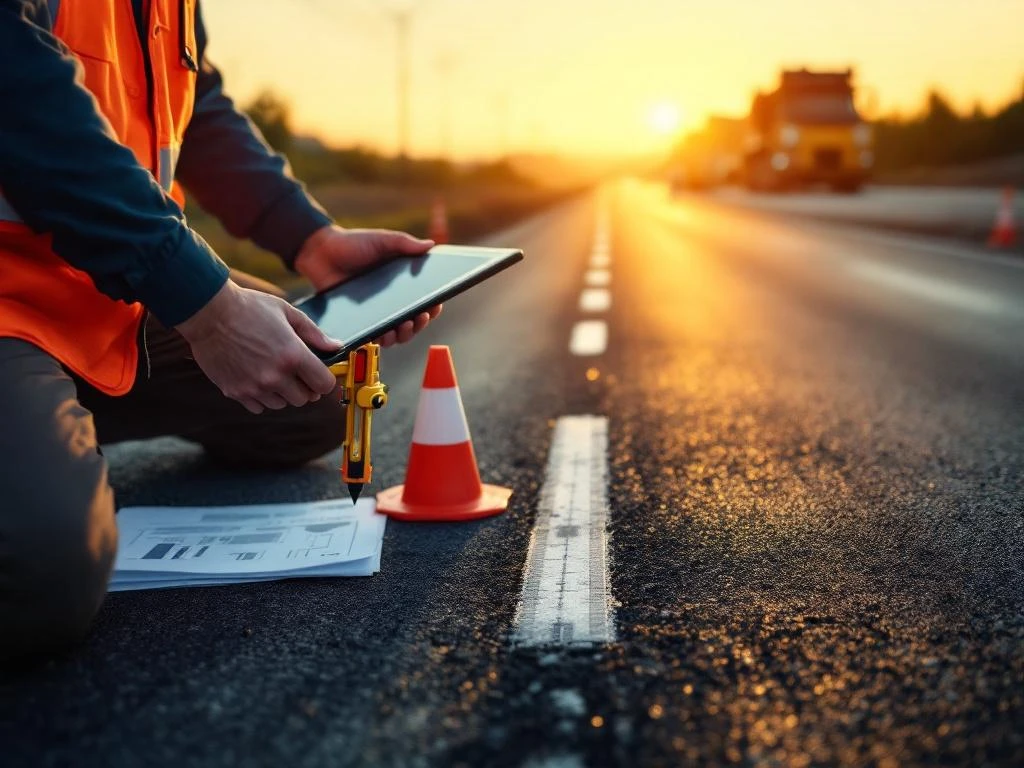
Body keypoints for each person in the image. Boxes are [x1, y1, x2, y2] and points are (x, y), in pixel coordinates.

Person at [0, 0, 440, 662]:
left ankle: (48, 435)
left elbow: (197, 108)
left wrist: (311, 239)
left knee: (313, 393)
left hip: (106, 288)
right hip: (12, 299)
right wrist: (206, 306)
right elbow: (18, 92)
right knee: (41, 577)